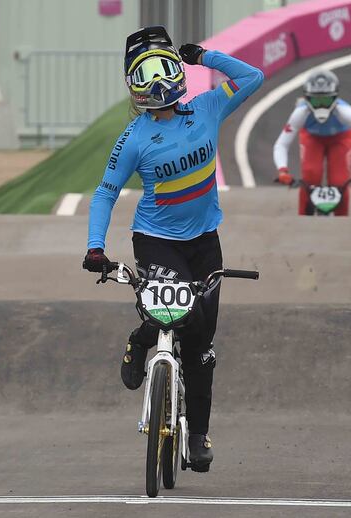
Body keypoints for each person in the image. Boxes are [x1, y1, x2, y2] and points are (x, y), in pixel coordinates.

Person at [84, 26, 264, 472]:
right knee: (183, 314)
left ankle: (198, 435)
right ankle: (144, 337)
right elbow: (106, 193)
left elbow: (253, 77)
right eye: (146, 74)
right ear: (133, 85)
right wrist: (94, 247)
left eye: (165, 68)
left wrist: (205, 57)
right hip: (156, 241)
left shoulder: (206, 107)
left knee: (201, 345)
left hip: (205, 243)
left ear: (177, 70)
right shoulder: (133, 137)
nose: (159, 82)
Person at [273, 69, 351, 215]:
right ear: (307, 99)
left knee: (340, 182)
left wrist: (282, 169)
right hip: (313, 138)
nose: (321, 106)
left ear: (334, 98)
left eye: (326, 100)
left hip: (340, 138)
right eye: (316, 100)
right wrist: (282, 170)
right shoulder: (300, 113)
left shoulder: (346, 112)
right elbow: (282, 144)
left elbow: (281, 144)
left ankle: (342, 220)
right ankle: (304, 217)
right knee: (310, 176)